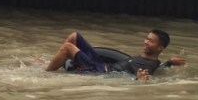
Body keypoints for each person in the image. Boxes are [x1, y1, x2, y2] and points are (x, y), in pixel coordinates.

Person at [46, 29, 185, 79]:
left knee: (68, 47)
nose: (146, 42)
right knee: (74, 36)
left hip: (100, 71)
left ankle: (46, 73)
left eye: (151, 41)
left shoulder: (149, 65)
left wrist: (140, 79)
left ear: (160, 47)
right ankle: (57, 62)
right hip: (103, 64)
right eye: (146, 39)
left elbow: (145, 76)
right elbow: (161, 67)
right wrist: (170, 62)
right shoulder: (152, 61)